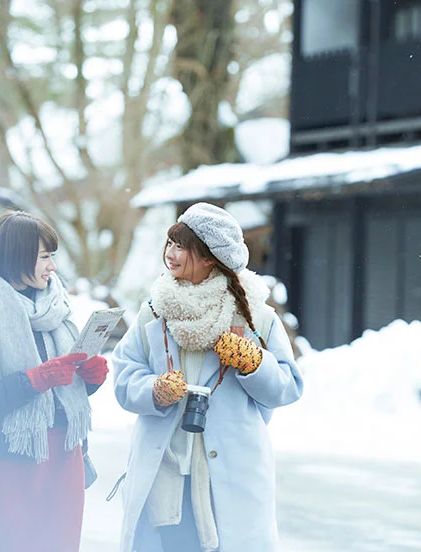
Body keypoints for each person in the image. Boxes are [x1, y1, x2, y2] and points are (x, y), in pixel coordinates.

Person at [111, 202, 303, 552]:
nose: (171, 253)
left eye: (182, 246)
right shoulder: (155, 310)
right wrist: (153, 390)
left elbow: (288, 386)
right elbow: (125, 373)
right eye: (169, 243)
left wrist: (253, 363)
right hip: (166, 468)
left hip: (229, 472)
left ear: (210, 257)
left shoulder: (254, 316)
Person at [0, 211, 109, 552]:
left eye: (52, 257)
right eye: (44, 257)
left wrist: (88, 378)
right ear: (15, 257)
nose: (52, 267)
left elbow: (64, 386)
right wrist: (34, 380)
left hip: (62, 458)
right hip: (5, 461)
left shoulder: (54, 306)